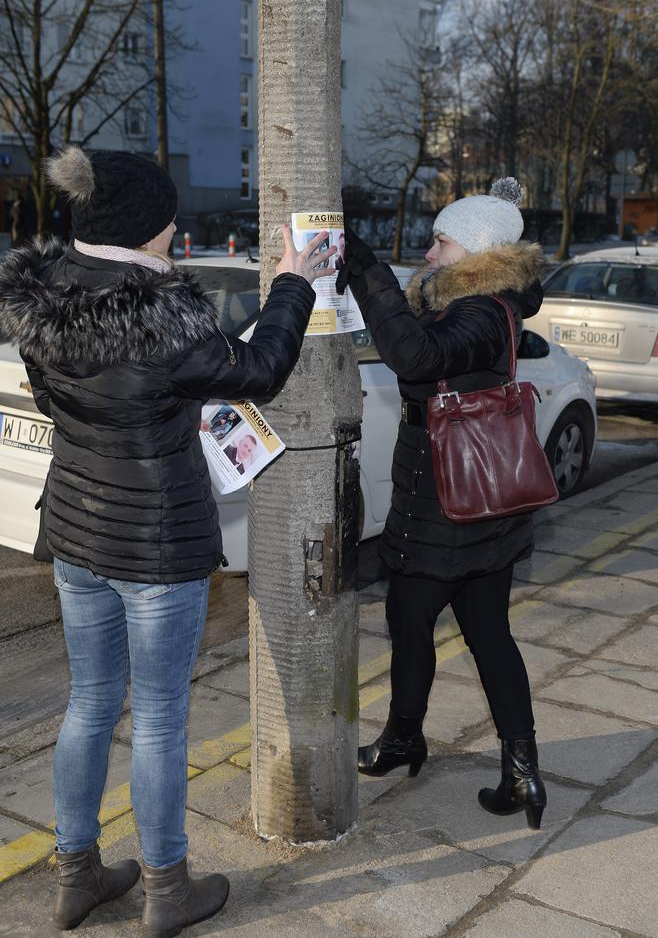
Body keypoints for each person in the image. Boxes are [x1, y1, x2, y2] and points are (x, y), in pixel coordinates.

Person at [0, 145, 335, 935]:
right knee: (156, 719)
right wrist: (294, 280)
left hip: (77, 533)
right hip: (155, 543)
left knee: (88, 703)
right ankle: (164, 890)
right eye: (168, 219)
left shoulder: (41, 297)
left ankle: (76, 876)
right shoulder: (164, 315)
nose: (177, 228)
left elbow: (54, 397)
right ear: (142, 230)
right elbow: (259, 369)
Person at [337, 179, 549, 830]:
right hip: (487, 501)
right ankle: (521, 772)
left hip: (448, 504)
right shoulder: (489, 302)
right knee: (483, 632)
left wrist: (368, 270)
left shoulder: (482, 310)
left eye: (442, 242)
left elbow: (416, 356)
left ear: (478, 251)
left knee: (411, 615)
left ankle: (407, 737)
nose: (430, 254)